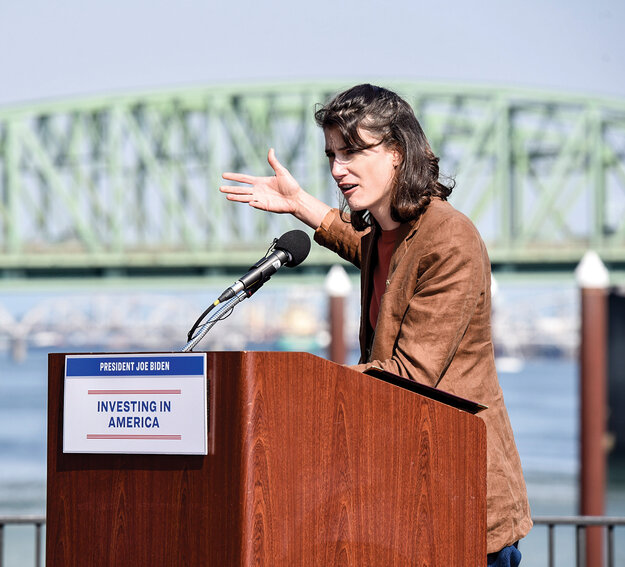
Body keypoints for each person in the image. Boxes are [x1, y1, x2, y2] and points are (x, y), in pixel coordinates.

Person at [220, 84, 531, 566]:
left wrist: (290, 391)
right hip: (407, 504)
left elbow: (409, 377)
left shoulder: (449, 241)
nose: (337, 169)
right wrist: (299, 202)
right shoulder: (387, 235)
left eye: (353, 151)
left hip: (463, 513)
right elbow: (356, 240)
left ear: (396, 152)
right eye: (331, 154)